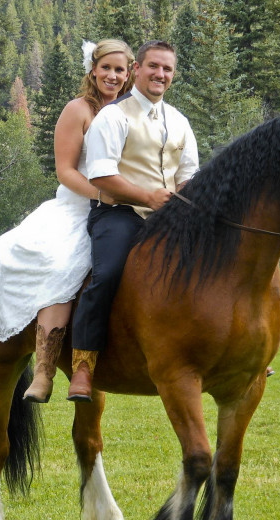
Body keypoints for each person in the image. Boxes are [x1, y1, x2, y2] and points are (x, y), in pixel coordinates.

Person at [0, 39, 135, 403]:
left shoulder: (134, 111)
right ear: (93, 70)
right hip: (79, 206)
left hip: (127, 206)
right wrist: (103, 195)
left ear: (129, 75)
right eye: (106, 68)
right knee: (60, 264)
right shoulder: (78, 110)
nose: (112, 75)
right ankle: (46, 370)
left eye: (120, 70)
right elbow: (65, 172)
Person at [67, 40, 200, 402]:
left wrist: (184, 195)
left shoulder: (179, 121)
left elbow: (189, 173)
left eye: (167, 69)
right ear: (136, 70)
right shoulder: (113, 116)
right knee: (106, 274)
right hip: (118, 213)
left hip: (170, 216)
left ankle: (236, 347)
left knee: (217, 259)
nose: (161, 74)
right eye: (153, 66)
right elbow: (100, 175)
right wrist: (148, 197)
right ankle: (83, 364)